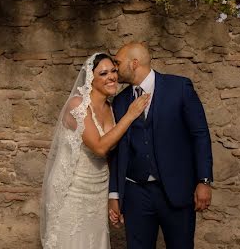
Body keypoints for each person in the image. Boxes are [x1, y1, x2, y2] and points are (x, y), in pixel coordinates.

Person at [108, 41, 214, 248]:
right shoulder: (120, 102)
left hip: (176, 190)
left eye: (118, 63)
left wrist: (204, 181)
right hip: (135, 193)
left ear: (134, 63)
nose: (114, 69)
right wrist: (115, 194)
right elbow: (118, 152)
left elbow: (200, 135)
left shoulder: (180, 87)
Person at [41, 52, 151, 249]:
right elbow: (100, 147)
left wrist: (114, 196)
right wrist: (131, 115)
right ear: (91, 78)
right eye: (103, 73)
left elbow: (113, 156)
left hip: (99, 190)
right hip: (73, 191)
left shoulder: (111, 108)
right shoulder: (78, 105)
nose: (111, 77)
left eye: (114, 71)